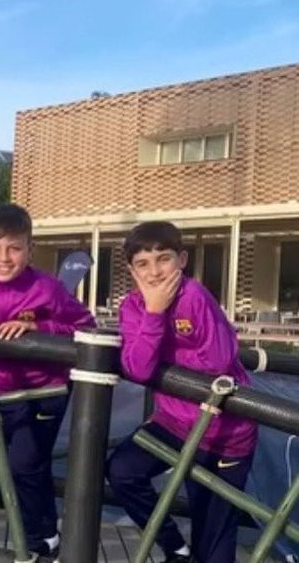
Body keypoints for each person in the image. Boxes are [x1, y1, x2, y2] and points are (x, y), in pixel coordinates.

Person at [106, 221, 256, 563]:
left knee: (213, 541)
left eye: (164, 259)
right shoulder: (133, 307)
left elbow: (218, 360)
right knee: (123, 471)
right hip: (173, 423)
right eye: (143, 264)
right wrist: (154, 313)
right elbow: (138, 369)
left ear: (182, 260)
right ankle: (175, 548)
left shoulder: (195, 297)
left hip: (224, 434)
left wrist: (163, 355)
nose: (155, 272)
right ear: (131, 270)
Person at [0, 203, 95, 556]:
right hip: (1, 388)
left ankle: (38, 539)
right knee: (28, 464)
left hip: (47, 388)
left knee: (24, 463)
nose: (4, 258)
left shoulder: (47, 288)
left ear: (30, 250)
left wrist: (39, 328)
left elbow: (87, 325)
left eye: (14, 248)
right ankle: (48, 534)